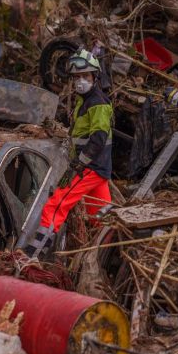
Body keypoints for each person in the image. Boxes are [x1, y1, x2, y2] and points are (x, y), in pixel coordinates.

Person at [27, 49, 113, 257]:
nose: (80, 82)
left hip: (90, 167)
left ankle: (32, 257)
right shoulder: (85, 101)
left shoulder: (98, 104)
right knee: (101, 217)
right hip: (98, 169)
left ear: (95, 77)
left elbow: (98, 139)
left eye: (85, 77)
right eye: (76, 78)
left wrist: (78, 164)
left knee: (55, 205)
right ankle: (110, 255)